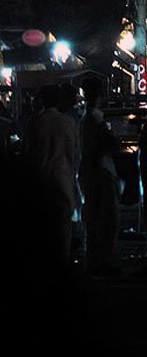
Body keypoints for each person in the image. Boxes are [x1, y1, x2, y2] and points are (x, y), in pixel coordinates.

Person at [24, 85, 78, 264]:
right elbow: (72, 154)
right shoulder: (67, 122)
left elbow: (28, 153)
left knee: (42, 226)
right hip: (61, 177)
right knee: (63, 225)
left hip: (40, 179)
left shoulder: (35, 122)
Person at [79, 78, 121, 276]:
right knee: (106, 218)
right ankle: (102, 260)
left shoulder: (85, 118)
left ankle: (94, 259)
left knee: (94, 218)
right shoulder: (95, 119)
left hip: (90, 173)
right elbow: (112, 144)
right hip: (101, 173)